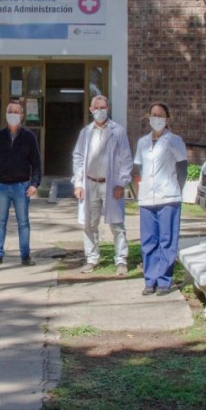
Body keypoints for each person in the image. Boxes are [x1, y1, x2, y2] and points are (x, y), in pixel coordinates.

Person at [72, 95, 133, 276]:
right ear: (90, 110)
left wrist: (122, 183)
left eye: (103, 107)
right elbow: (78, 157)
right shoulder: (86, 132)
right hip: (89, 183)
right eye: (96, 108)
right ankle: (91, 259)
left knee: (116, 224)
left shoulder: (118, 131)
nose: (100, 111)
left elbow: (126, 159)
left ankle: (121, 260)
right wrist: (78, 183)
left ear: (108, 108)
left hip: (111, 185)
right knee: (90, 224)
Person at [133, 103, 188, 295]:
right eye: (154, 114)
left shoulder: (174, 141)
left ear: (167, 118)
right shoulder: (142, 142)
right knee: (149, 240)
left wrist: (176, 188)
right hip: (147, 198)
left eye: (161, 115)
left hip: (169, 197)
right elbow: (140, 169)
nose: (157, 118)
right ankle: (150, 280)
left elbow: (182, 169)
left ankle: (164, 280)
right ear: (149, 117)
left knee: (167, 239)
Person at [0, 101, 42, 266]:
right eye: (10, 111)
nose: (14, 115)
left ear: (22, 115)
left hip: (22, 186)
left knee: (23, 222)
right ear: (6, 114)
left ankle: (25, 256)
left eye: (17, 112)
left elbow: (36, 163)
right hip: (0, 186)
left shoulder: (29, 137)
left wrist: (34, 184)